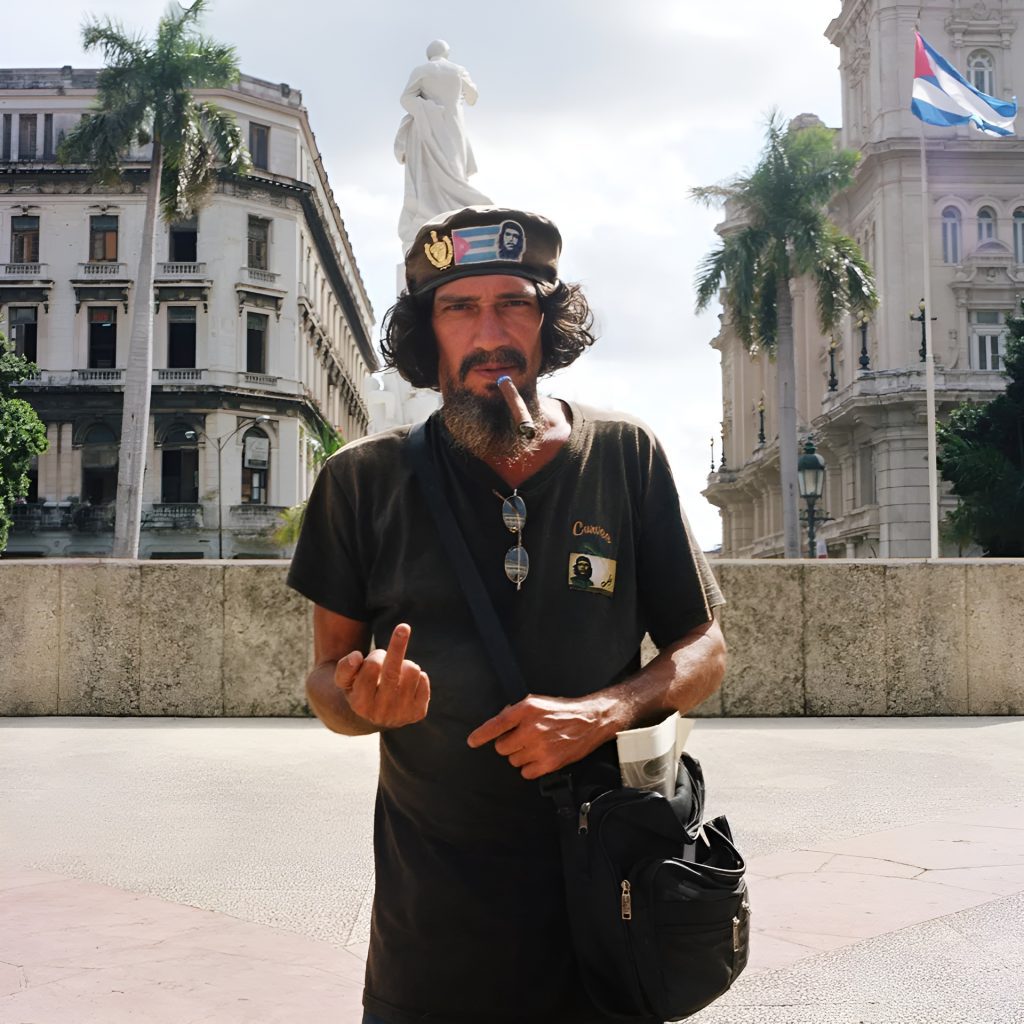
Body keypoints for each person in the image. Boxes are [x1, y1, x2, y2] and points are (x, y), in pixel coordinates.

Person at [287, 205, 727, 1024]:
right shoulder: (360, 481)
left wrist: (606, 711)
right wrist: (361, 702)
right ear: (427, 334)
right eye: (460, 308)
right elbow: (324, 679)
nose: (489, 334)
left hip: (611, 902)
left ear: (548, 323)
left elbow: (705, 647)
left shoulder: (625, 454)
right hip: (433, 928)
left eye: (514, 305)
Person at [394, 40, 492, 250]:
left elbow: (406, 99)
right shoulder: (458, 70)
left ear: (429, 54)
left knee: (429, 172)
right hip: (453, 126)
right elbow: (473, 97)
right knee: (455, 169)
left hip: (428, 128)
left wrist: (427, 109)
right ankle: (459, 210)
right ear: (447, 53)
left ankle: (436, 213)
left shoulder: (421, 70)